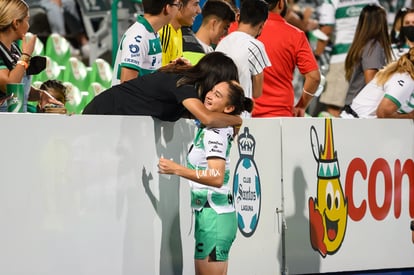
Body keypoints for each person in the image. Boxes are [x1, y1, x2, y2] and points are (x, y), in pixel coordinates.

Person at [157, 80, 253, 275]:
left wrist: (178, 169)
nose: (209, 95)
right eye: (211, 90)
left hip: (214, 218)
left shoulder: (214, 133)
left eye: (218, 95)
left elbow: (216, 177)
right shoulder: (216, 126)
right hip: (212, 216)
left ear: (229, 107)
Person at [83, 52, 243, 128]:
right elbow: (207, 118)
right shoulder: (182, 84)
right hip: (102, 114)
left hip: (110, 120)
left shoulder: (186, 84)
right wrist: (237, 120)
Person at [252, 0, 320, 117]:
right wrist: (301, 106)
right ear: (280, 3)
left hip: (242, 117)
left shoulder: (234, 29)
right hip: (280, 117)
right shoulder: (295, 35)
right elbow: (314, 78)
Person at [315, 0, 379, 117]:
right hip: (368, 57)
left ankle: (338, 134)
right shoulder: (372, 1)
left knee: (334, 106)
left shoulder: (330, 2)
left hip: (341, 58)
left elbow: (326, 31)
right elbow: (380, 24)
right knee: (362, 104)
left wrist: (316, 56)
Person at [0, 0, 61, 112]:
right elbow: (9, 87)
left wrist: (41, 94)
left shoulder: (14, 49)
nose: (28, 26)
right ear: (16, 23)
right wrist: (26, 55)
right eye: (27, 20)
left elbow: (20, 89)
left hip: (17, 117)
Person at [215, 0, 271, 117]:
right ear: (262, 24)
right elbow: (257, 92)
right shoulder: (256, 46)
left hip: (217, 112)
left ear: (238, 16)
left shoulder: (222, 42)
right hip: (238, 115)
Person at [111, 0, 180, 86]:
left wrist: (170, 68)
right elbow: (126, 90)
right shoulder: (138, 37)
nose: (179, 9)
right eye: (178, 5)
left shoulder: (152, 32)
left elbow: (147, 72)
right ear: (167, 8)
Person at [340, 47, 414, 119]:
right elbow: (383, 113)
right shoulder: (406, 79)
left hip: (357, 121)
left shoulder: (405, 75)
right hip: (355, 124)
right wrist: (409, 116)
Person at [343, 4, 393, 107]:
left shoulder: (362, 44)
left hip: (354, 106)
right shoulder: (373, 46)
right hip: (362, 110)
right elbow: (371, 82)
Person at [182, 0, 236, 64]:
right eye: (225, 28)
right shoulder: (190, 49)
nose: (226, 33)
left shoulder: (211, 52)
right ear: (214, 24)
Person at [159, 0, 202, 66]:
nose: (199, 11)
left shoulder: (178, 30)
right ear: (179, 5)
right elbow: (159, 73)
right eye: (195, 4)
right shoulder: (163, 32)